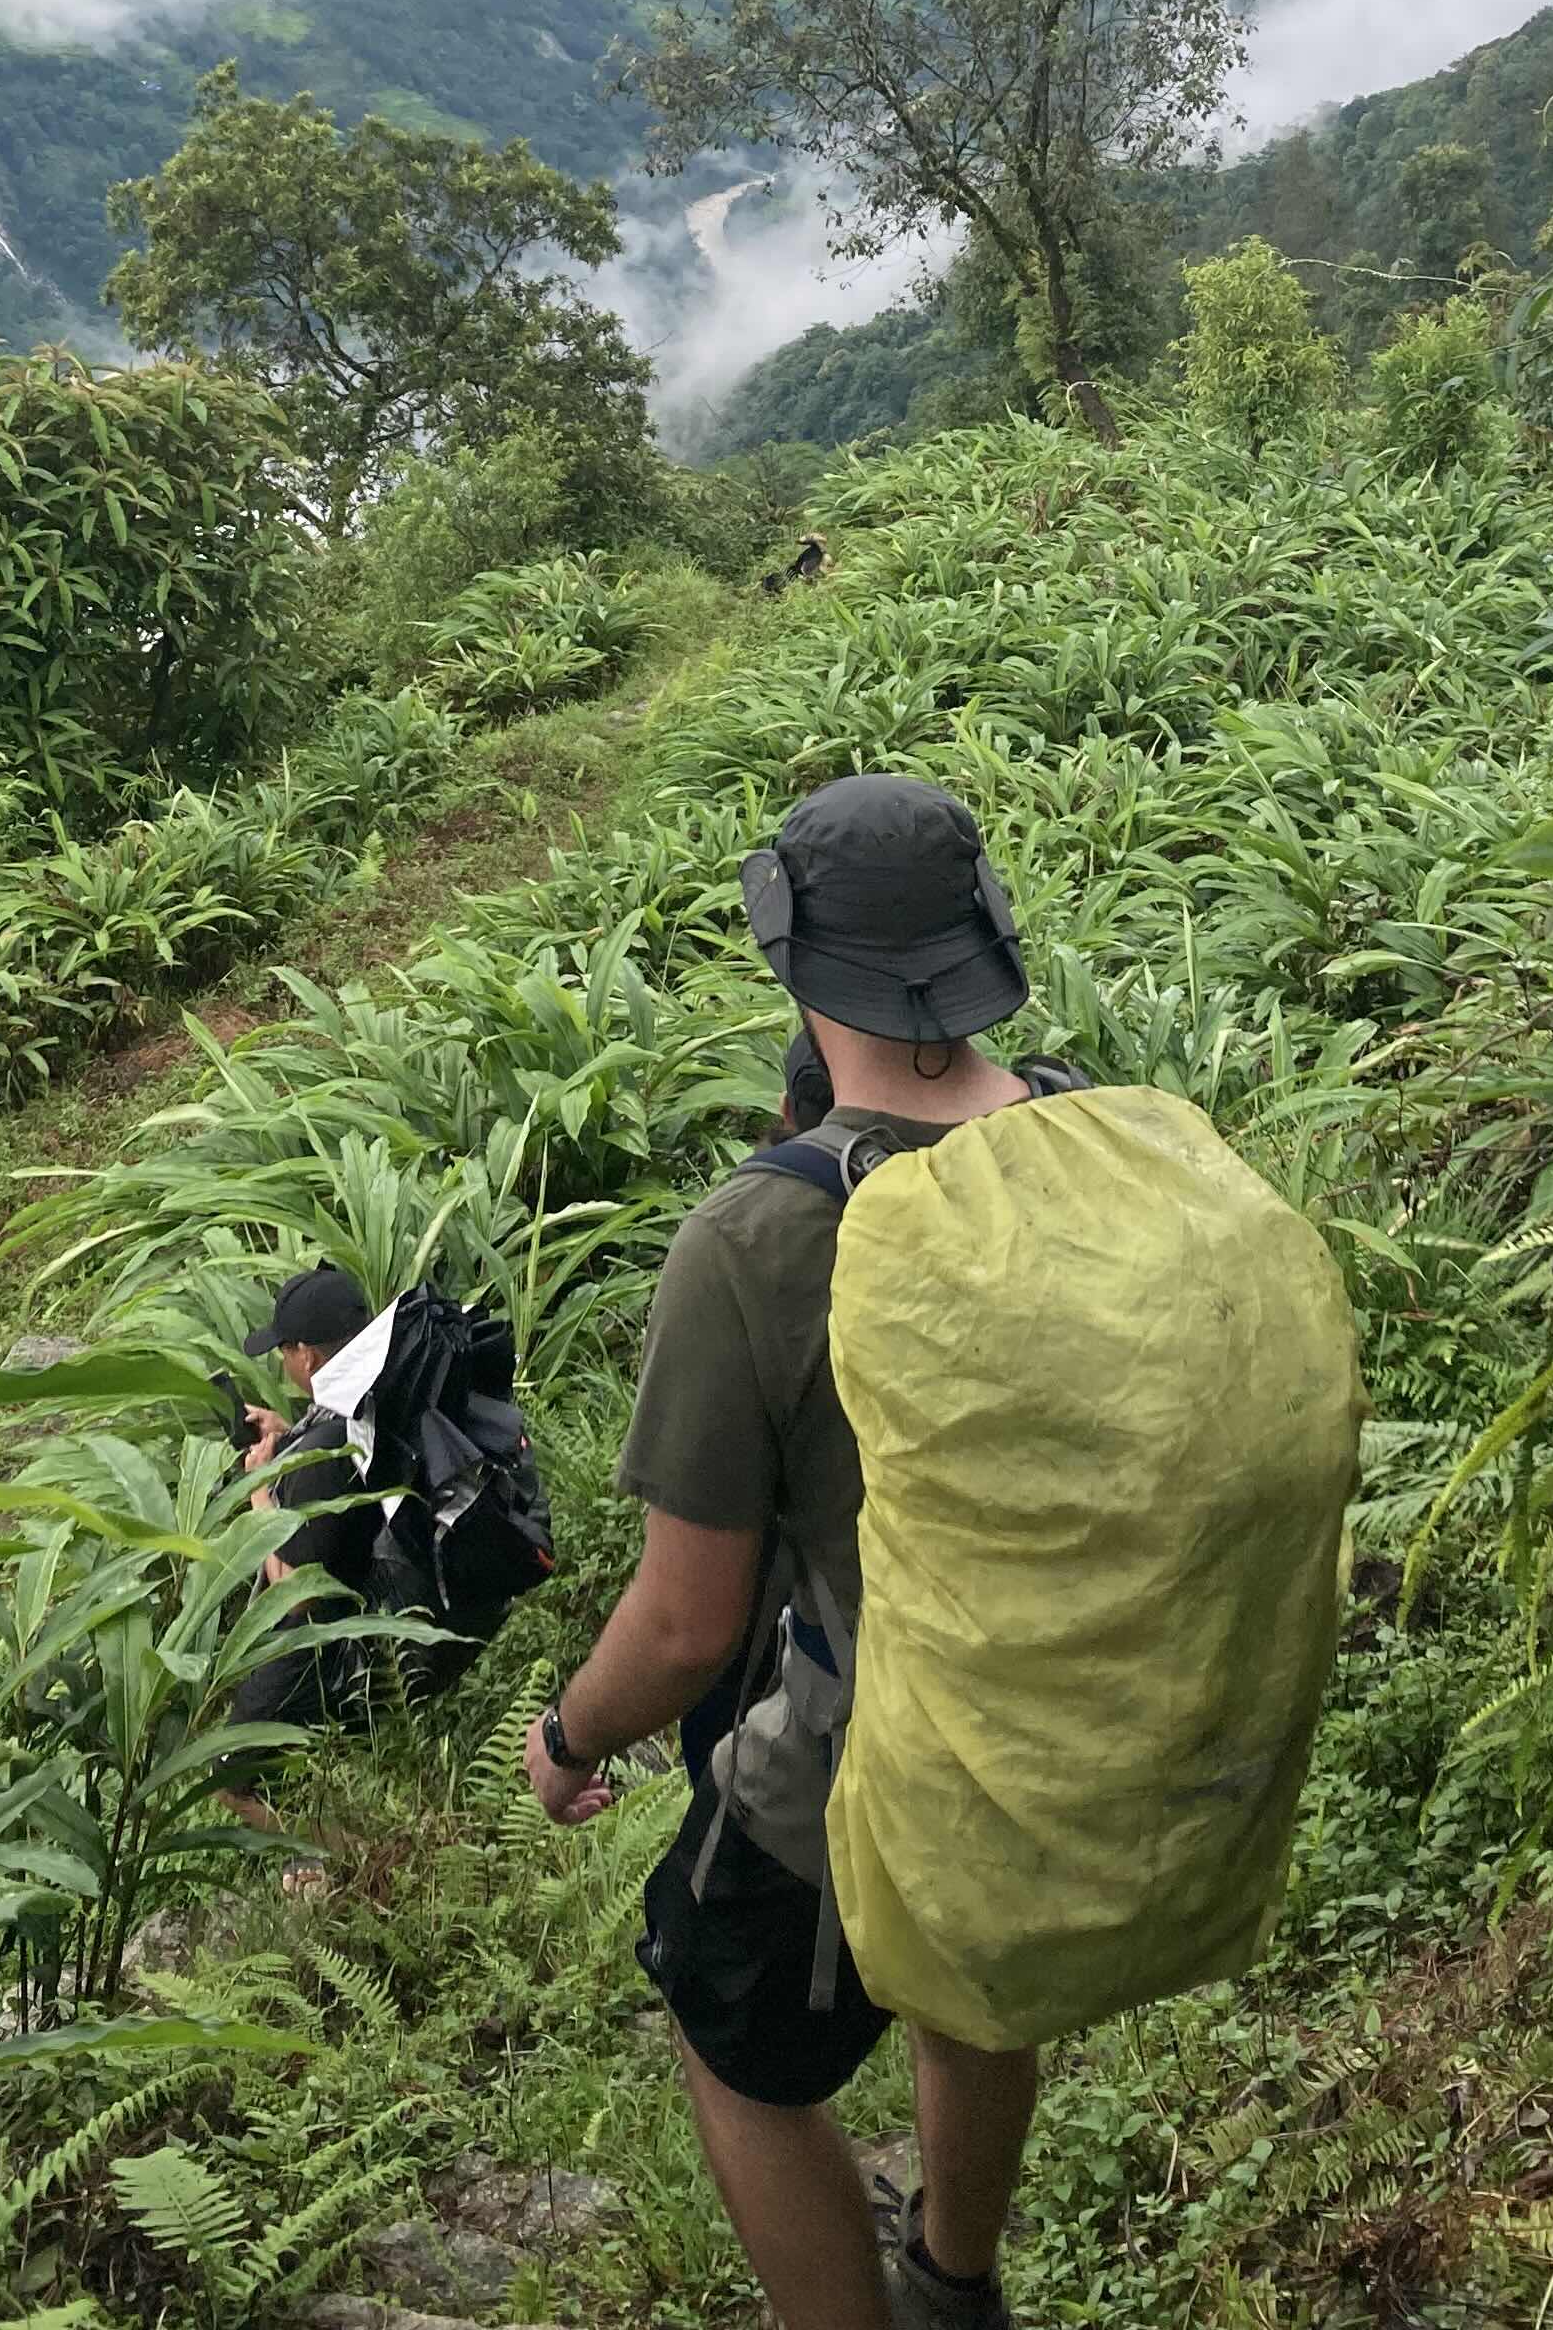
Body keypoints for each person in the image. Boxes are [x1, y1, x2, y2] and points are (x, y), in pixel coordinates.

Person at [522, 774, 1056, 2330]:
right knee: (975, 1978)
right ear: (982, 945)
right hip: (1061, 1708)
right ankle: (955, 2277)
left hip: (874, 1746)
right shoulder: (1092, 1137)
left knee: (727, 2039)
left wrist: (567, 1737)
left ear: (796, 972)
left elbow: (688, 1628)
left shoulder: (754, 1242)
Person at [231, 1259, 381, 1744]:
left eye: (284, 1349)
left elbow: (295, 1591)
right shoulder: (372, 1395)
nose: (281, 1360)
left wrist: (258, 1486)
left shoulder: (324, 1455)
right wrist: (290, 1431)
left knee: (230, 1772)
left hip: (329, 1643)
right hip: (377, 1595)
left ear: (310, 1358)